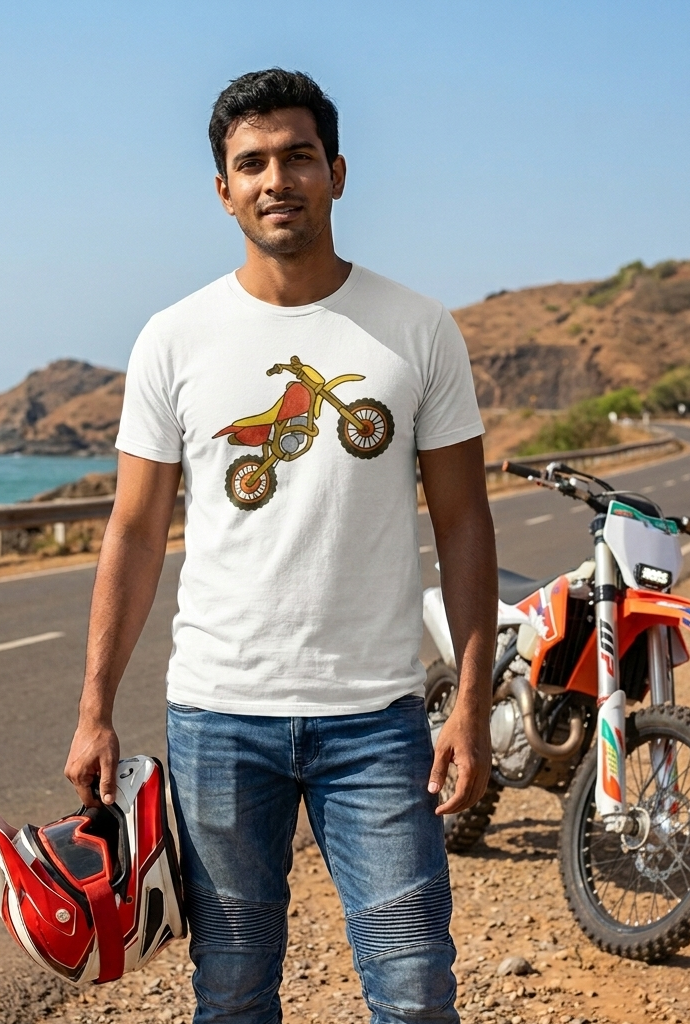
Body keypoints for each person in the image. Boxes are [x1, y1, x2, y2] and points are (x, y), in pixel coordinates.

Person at [65, 68, 497, 1024]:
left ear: (336, 172)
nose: (276, 179)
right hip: (219, 718)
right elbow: (134, 531)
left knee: (417, 986)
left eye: (297, 156)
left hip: (377, 720)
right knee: (230, 987)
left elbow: (464, 520)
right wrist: (95, 708)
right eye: (250, 163)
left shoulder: (418, 327)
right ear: (222, 189)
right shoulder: (173, 337)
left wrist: (469, 703)